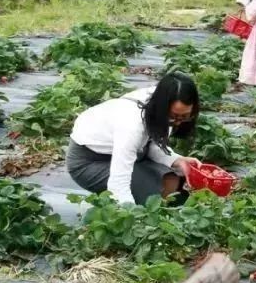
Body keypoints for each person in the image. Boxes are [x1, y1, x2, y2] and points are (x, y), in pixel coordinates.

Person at [66, 73, 202, 206]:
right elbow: (119, 183)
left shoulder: (161, 104)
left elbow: (151, 144)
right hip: (89, 162)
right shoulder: (131, 124)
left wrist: (176, 161)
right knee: (155, 190)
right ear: (162, 108)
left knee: (176, 179)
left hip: (130, 153)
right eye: (174, 116)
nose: (177, 122)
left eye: (185, 117)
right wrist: (132, 216)